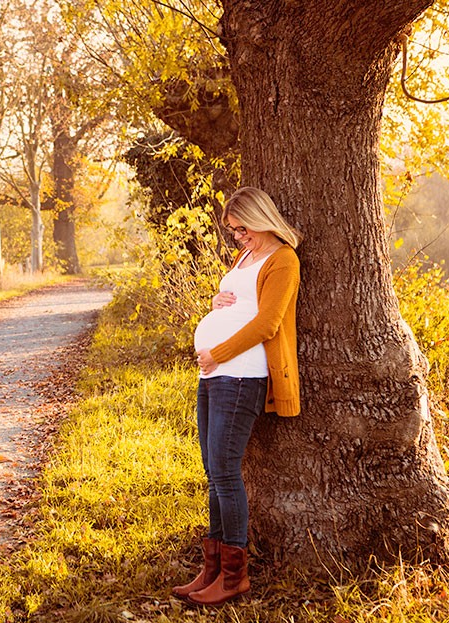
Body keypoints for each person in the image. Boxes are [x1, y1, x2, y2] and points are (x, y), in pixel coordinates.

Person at [171, 186, 302, 606]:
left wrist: (218, 352)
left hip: (242, 374)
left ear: (260, 217)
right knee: (212, 470)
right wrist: (217, 303)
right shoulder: (246, 256)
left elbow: (268, 322)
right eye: (233, 231)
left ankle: (234, 577)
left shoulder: (283, 258)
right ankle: (210, 569)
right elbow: (242, 303)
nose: (237, 236)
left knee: (226, 471)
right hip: (215, 374)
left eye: (241, 228)